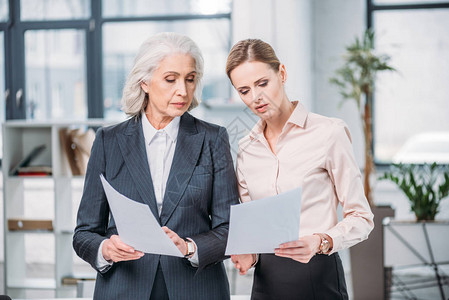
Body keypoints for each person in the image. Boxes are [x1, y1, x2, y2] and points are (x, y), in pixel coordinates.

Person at [73, 32, 239, 300]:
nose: (183, 91)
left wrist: (188, 247)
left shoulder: (213, 139)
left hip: (195, 288)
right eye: (170, 79)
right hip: (125, 287)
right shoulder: (109, 141)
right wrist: (106, 248)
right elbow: (84, 233)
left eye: (190, 79)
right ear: (145, 82)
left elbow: (230, 228)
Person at [226, 39, 374, 300]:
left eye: (262, 83)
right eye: (244, 90)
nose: (255, 97)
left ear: (281, 74)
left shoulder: (329, 132)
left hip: (318, 277)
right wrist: (249, 252)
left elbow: (362, 218)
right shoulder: (246, 148)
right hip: (265, 284)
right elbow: (254, 227)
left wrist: (321, 240)